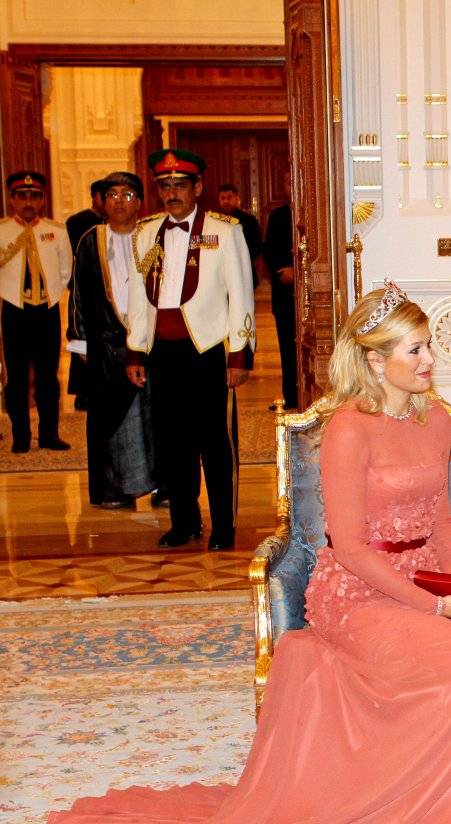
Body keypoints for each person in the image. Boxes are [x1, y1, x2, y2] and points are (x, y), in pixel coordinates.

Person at [8, 286, 451, 824]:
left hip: (426, 582)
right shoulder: (348, 429)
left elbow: (442, 521)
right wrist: (435, 608)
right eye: (413, 351)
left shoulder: (435, 416)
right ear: (373, 360)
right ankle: (423, 799)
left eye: (429, 347)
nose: (429, 362)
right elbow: (350, 547)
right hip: (358, 594)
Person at [125, 148, 255, 550]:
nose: (171, 193)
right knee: (171, 441)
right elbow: (138, 298)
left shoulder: (226, 230)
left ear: (197, 187)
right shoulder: (145, 232)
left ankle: (223, 526)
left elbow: (241, 295)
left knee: (213, 441)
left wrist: (239, 355)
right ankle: (184, 522)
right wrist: (134, 351)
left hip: (207, 348)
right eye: (165, 186)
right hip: (161, 352)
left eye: (180, 185)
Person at [66, 172, 155, 508]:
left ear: (140, 202)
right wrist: (80, 342)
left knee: (155, 414)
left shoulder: (152, 236)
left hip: (149, 342)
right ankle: (112, 489)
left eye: (127, 194)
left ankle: (164, 484)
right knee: (108, 418)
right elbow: (78, 293)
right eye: (112, 194)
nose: (119, 200)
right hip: (104, 344)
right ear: (102, 202)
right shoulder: (91, 239)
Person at [0, 171, 73, 453]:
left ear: (42, 199)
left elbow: (66, 271)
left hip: (47, 311)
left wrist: (52, 296)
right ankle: (21, 435)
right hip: (14, 311)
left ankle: (49, 434)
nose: (28, 202)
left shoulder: (58, 230)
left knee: (47, 376)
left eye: (33, 196)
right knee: (16, 377)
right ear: (12, 199)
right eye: (22, 196)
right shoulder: (3, 231)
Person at [65, 178, 111, 412]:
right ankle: (83, 391)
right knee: (83, 338)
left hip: (109, 291)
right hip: (85, 288)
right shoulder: (78, 221)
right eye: (106, 196)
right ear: (94, 197)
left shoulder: (114, 221)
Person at [263, 169, 298, 410]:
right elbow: (269, 251)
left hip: (312, 294)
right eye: (288, 182)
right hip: (285, 294)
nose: (292, 186)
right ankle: (291, 397)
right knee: (287, 346)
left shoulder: (318, 213)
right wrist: (283, 270)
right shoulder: (277, 216)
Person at [216, 183, 265, 287]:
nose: (225, 201)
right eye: (222, 198)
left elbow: (257, 246)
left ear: (237, 199)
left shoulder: (249, 220)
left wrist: (239, 258)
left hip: (243, 269)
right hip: (220, 272)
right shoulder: (214, 221)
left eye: (229, 197)